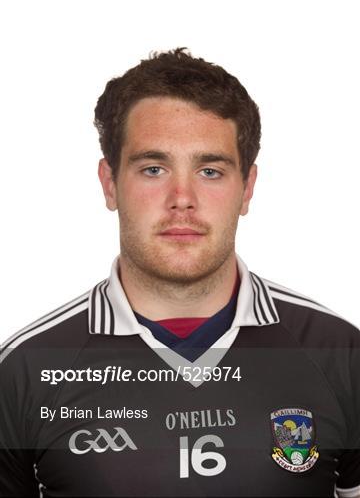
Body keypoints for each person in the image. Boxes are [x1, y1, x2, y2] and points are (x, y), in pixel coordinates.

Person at [0, 48, 359, 498]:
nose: (182, 198)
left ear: (247, 188)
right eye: (153, 168)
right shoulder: (25, 371)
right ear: (109, 183)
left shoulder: (341, 354)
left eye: (210, 170)